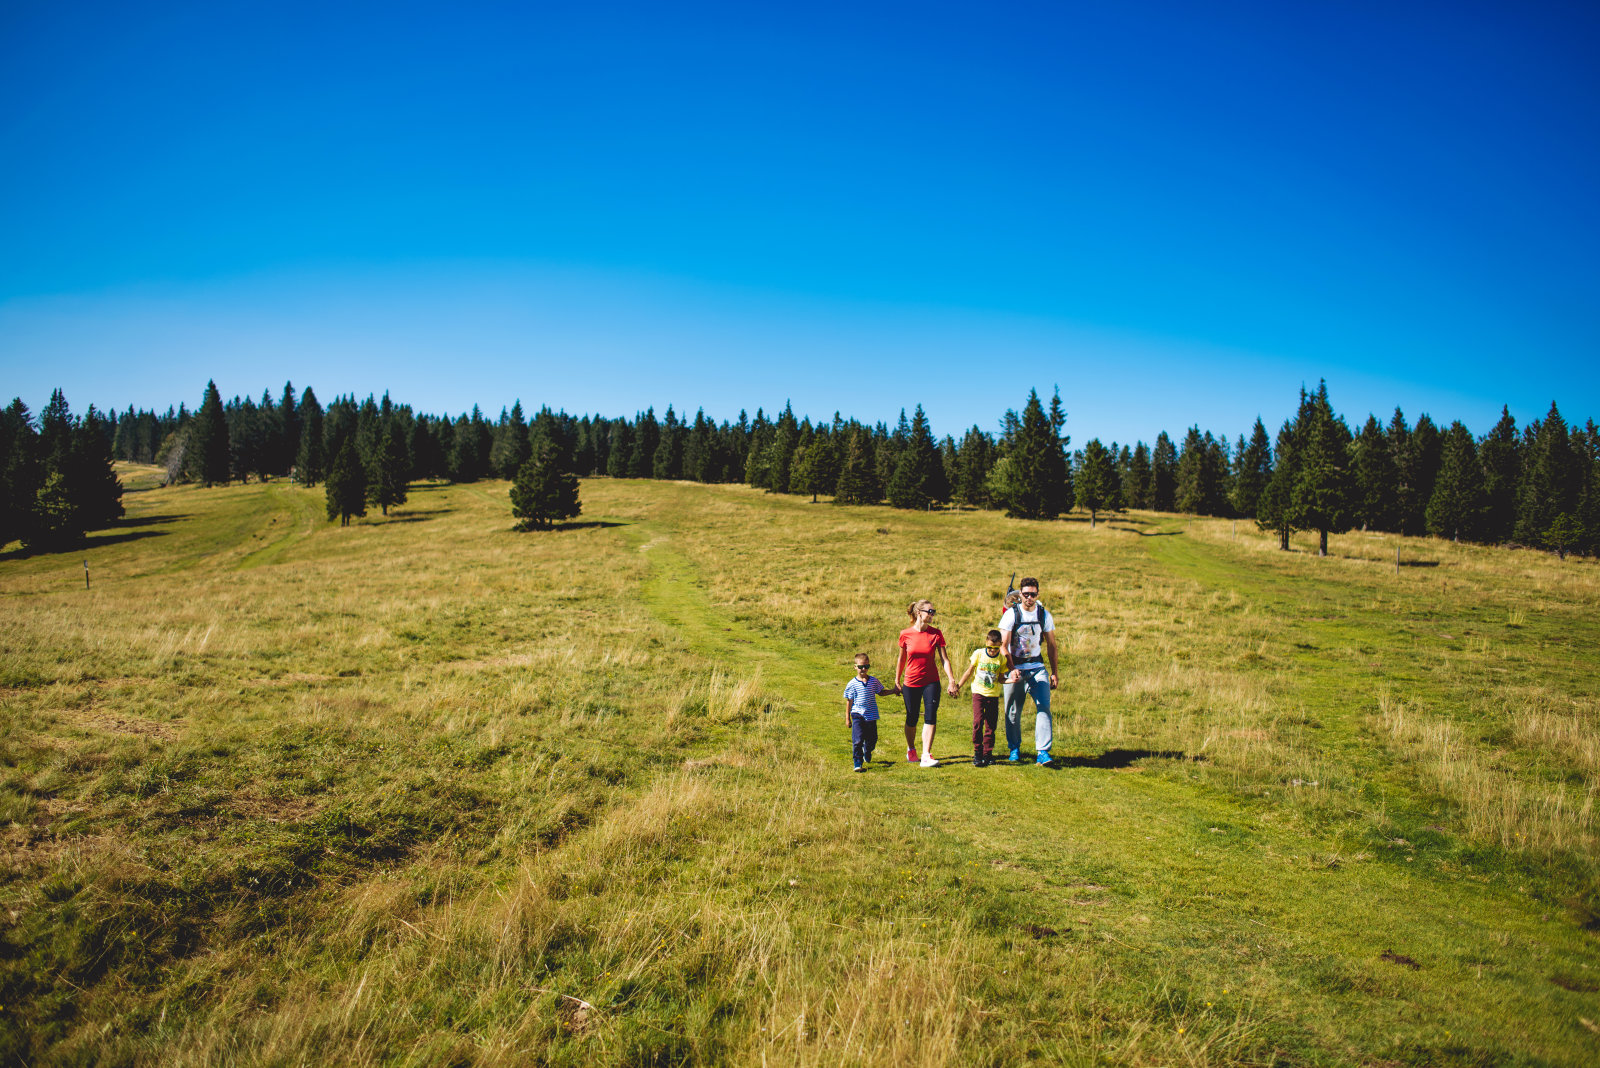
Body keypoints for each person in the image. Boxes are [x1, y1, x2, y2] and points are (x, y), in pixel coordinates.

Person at [999, 577, 1059, 764]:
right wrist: (1011, 669)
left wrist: (1054, 672)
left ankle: (1043, 752)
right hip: (1015, 667)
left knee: (1044, 707)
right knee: (1013, 711)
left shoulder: (1044, 615)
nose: (1029, 598)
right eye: (1026, 594)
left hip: (1037, 667)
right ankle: (1014, 749)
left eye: (1033, 594)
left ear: (1037, 594)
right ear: (1020, 594)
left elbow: (1051, 645)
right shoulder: (1011, 614)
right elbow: (1003, 645)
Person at [897, 598, 954, 768]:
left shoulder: (936, 633)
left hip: (931, 682)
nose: (932, 615)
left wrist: (951, 680)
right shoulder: (905, 634)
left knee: (931, 715)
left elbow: (944, 660)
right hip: (911, 682)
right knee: (912, 717)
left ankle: (926, 755)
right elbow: (901, 660)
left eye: (933, 612)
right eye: (929, 611)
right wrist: (896, 680)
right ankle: (911, 749)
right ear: (918, 613)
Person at [950, 628, 1009, 766]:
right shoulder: (979, 654)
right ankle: (977, 752)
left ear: (1000, 644)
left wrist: (1012, 680)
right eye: (989, 647)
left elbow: (1001, 679)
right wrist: (958, 685)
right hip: (978, 693)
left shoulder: (1002, 659)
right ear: (985, 643)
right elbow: (969, 671)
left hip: (993, 695)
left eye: (995, 648)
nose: (992, 651)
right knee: (978, 722)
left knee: (991, 725)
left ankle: (988, 754)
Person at [843, 653, 897, 772]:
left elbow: (881, 692)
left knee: (872, 739)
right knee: (858, 739)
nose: (863, 669)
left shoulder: (873, 681)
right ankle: (858, 762)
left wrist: (893, 691)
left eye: (866, 666)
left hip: (871, 715)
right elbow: (849, 701)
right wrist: (848, 718)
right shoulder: (852, 684)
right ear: (855, 667)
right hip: (857, 715)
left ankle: (867, 750)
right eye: (861, 667)